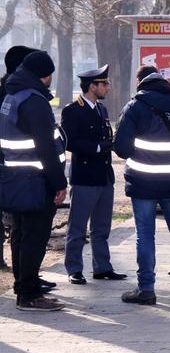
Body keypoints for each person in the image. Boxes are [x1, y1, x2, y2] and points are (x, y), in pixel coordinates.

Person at [113, 70, 170, 304]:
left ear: (142, 85)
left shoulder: (134, 107)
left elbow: (121, 147)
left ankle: (146, 289)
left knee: (145, 235)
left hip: (143, 182)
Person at [0, 51, 67, 311]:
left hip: (16, 177)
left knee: (20, 235)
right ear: (45, 75)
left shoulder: (12, 96)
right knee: (35, 238)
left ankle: (23, 287)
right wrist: (59, 183)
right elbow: (46, 148)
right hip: (36, 179)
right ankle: (29, 294)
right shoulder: (34, 101)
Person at [61, 64, 125, 285]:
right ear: (92, 86)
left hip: (104, 176)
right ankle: (74, 269)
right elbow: (69, 142)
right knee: (77, 227)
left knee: (101, 228)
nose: (108, 87)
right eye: (104, 84)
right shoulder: (72, 110)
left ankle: (102, 267)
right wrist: (97, 147)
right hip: (85, 177)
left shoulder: (101, 110)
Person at [0, 45, 38, 271]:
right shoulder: (13, 93)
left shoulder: (10, 89)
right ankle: (23, 275)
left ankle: (23, 272)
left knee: (17, 222)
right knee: (19, 223)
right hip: (12, 165)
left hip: (10, 164)